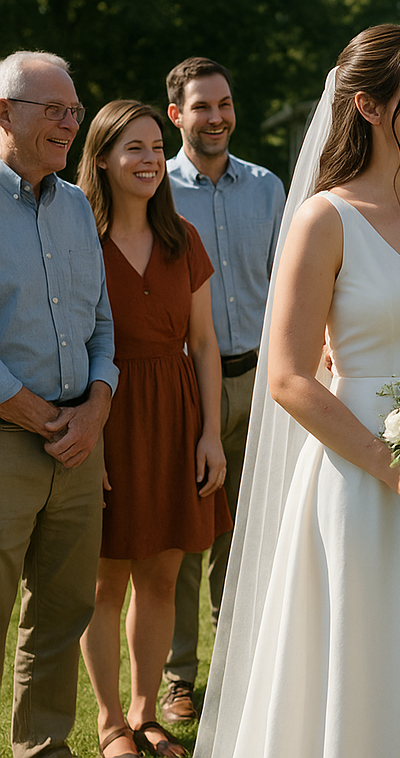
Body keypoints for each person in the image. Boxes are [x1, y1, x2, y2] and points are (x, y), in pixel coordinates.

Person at [195, 25, 400, 757]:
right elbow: (286, 375)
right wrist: (394, 469)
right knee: (363, 658)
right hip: (362, 476)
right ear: (373, 106)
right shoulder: (325, 219)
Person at [77, 100, 230, 758]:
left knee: (164, 578)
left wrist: (211, 435)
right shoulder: (78, 235)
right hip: (107, 415)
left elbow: (205, 344)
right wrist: (90, 442)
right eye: (132, 147)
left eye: (154, 146)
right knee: (105, 582)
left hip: (177, 416)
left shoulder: (183, 238)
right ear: (103, 158)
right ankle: (111, 724)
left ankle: (146, 714)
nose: (148, 159)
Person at [0, 51, 119, 758]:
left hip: (79, 443)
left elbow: (102, 322)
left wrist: (97, 404)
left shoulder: (77, 204)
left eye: (75, 110)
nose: (71, 124)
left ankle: (42, 749)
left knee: (62, 612)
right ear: (4, 112)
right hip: (10, 441)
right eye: (56, 110)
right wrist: (31, 412)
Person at [162, 57, 285, 724]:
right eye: (202, 106)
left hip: (265, 383)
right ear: (177, 115)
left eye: (225, 104)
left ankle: (242, 665)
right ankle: (178, 676)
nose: (217, 117)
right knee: (185, 539)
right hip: (188, 388)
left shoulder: (269, 189)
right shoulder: (156, 191)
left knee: (250, 535)